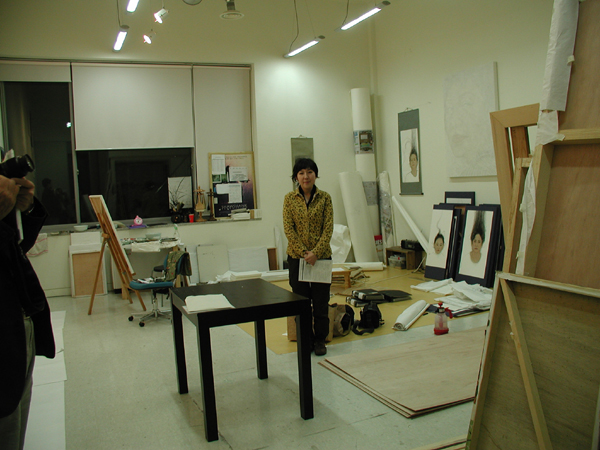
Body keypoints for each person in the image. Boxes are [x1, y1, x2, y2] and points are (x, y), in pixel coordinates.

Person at [0, 172, 55, 450]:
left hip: (20, 327)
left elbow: (17, 248)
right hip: (5, 334)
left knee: (16, 425)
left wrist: (24, 210)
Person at [283, 158, 333, 356]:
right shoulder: (289, 199)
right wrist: (305, 253)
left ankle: (320, 340)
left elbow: (328, 228)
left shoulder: (325, 198)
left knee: (320, 302)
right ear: (296, 177)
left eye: (310, 172)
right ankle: (306, 340)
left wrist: (316, 253)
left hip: (321, 258)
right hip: (297, 259)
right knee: (301, 302)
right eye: (302, 172)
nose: (306, 176)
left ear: (315, 175)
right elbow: (289, 229)